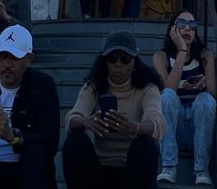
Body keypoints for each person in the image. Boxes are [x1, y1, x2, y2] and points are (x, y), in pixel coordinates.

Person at [63, 31, 164, 189]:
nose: (118, 64)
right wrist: (88, 122)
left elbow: (156, 124)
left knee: (146, 144)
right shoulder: (94, 86)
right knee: (75, 141)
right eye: (112, 58)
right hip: (99, 167)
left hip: (132, 169)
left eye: (124, 59)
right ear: (105, 62)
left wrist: (132, 127)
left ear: (134, 63)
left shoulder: (147, 88)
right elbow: (71, 119)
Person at [0, 25, 60, 188]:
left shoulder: (42, 87)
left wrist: (14, 137)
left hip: (23, 169)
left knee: (35, 159)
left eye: (14, 58)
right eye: (3, 57)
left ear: (29, 59)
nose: (7, 64)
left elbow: (50, 142)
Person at [152, 10, 217, 186]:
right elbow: (169, 88)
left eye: (192, 25)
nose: (188, 29)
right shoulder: (161, 57)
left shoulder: (205, 57)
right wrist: (181, 50)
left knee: (206, 99)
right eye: (182, 24)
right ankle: (168, 167)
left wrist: (200, 85)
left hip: (199, 129)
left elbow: (212, 94)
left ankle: (202, 169)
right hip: (174, 128)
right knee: (166, 96)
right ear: (173, 29)